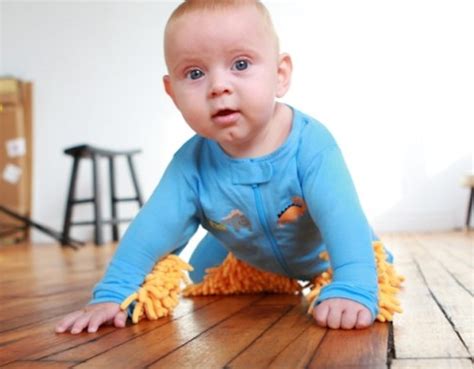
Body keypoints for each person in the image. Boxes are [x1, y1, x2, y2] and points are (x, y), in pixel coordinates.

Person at [56, 0, 383, 334]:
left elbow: (342, 216)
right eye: (195, 73)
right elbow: (150, 231)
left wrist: (354, 286)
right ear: (172, 93)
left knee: (370, 262)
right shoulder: (191, 165)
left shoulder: (310, 145)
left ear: (280, 75)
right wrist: (113, 293)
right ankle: (239, 264)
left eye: (240, 64)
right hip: (249, 254)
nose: (218, 86)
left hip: (323, 253)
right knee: (201, 277)